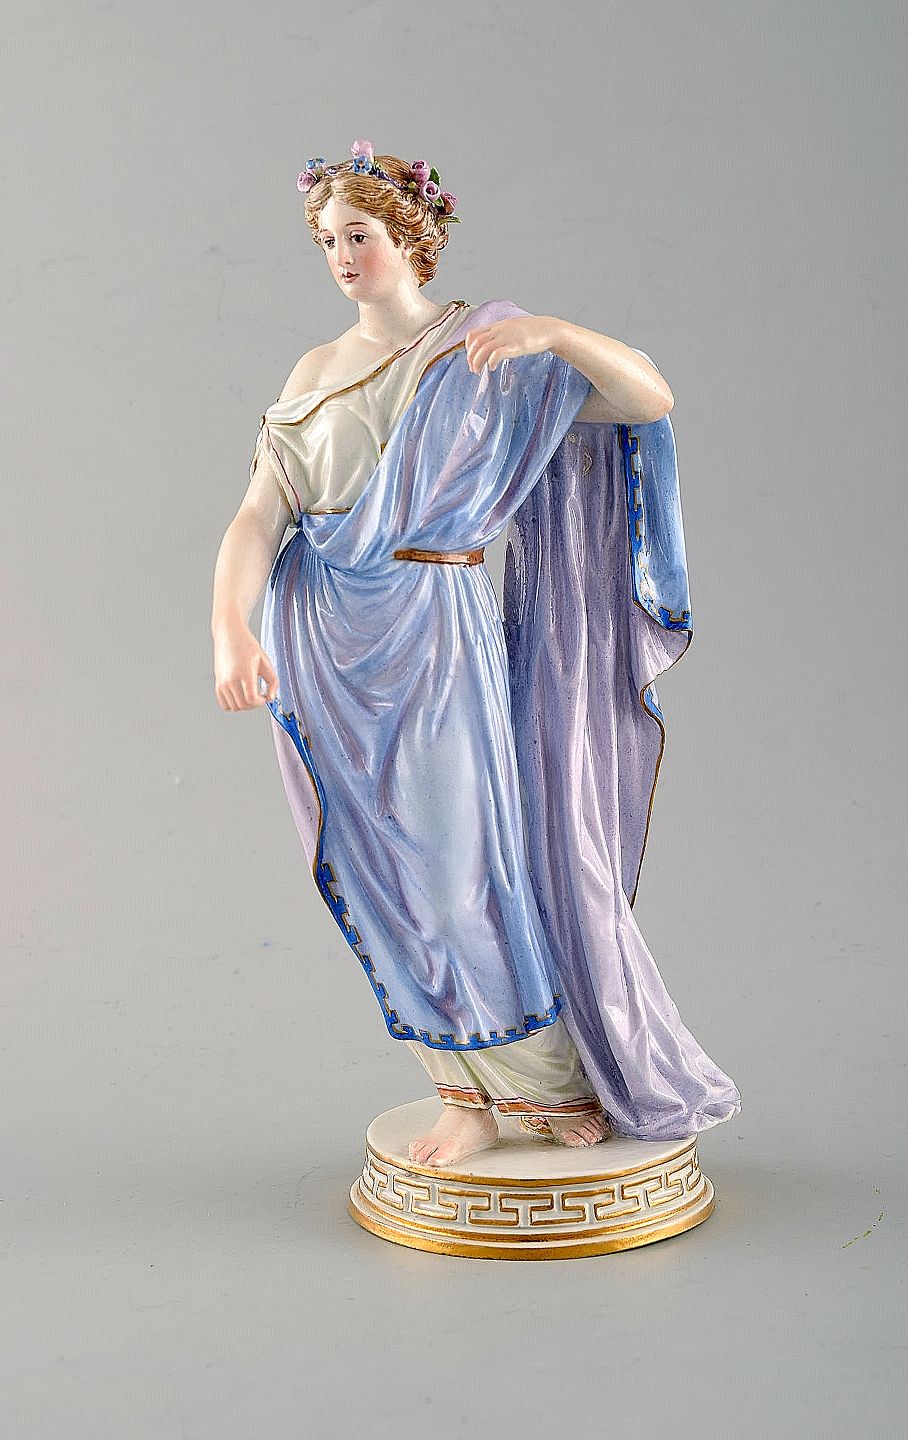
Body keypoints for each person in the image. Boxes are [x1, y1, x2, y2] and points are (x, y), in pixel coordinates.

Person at [210, 140, 741, 1169]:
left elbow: (647, 400)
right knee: (382, 882)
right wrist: (230, 628)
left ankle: (546, 1081)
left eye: (359, 235)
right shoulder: (313, 372)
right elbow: (257, 515)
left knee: (464, 869)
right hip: (320, 640)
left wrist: (558, 333)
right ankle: (464, 1094)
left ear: (411, 236)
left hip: (433, 630)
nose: (341, 257)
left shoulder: (485, 352)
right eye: (327, 241)